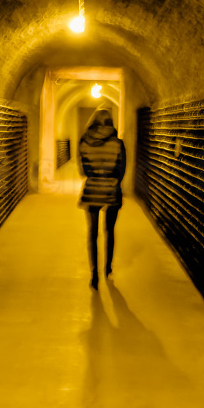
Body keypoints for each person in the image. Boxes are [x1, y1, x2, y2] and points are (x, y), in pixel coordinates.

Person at [78, 108, 126, 289]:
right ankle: (108, 268)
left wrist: (95, 174)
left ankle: (94, 275)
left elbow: (83, 171)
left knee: (92, 233)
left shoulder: (84, 141)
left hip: (92, 190)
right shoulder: (118, 143)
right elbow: (121, 170)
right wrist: (112, 180)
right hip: (111, 190)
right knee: (109, 231)